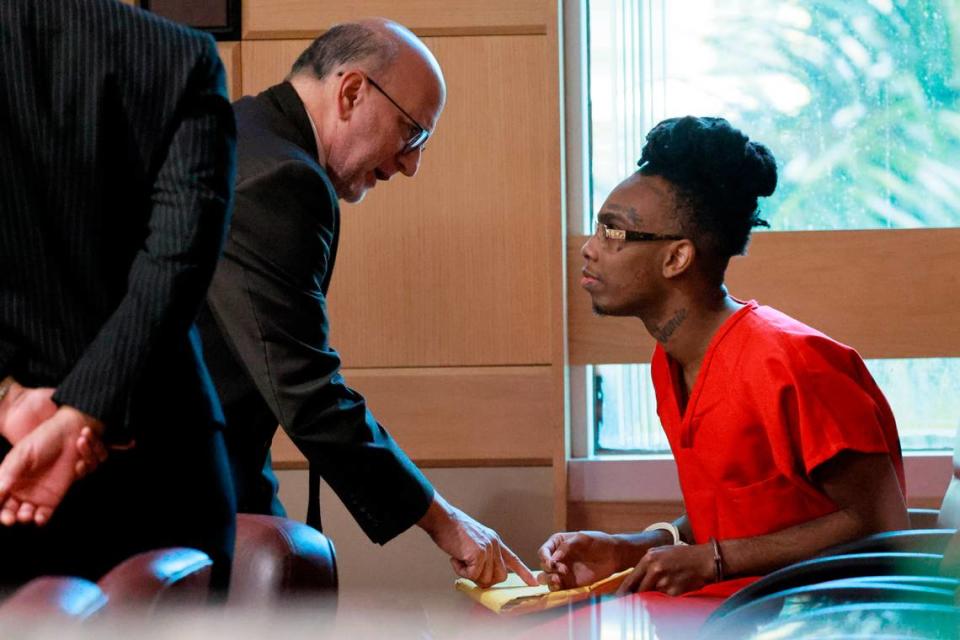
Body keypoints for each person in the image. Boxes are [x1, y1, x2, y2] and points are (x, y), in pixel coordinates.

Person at [196, 19, 535, 587]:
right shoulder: (282, 178)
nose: (411, 164)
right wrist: (445, 522)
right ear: (352, 92)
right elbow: (305, 389)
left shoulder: (247, 133)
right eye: (412, 134)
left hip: (212, 472)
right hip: (154, 488)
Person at [539, 116, 909, 596]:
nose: (589, 249)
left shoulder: (793, 364)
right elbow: (743, 511)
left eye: (614, 233)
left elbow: (882, 528)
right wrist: (635, 546)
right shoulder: (670, 360)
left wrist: (716, 561)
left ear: (677, 258)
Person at [0, 0, 237, 589]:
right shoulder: (182, 57)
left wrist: (8, 399)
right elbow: (177, 262)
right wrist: (83, 410)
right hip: (160, 467)